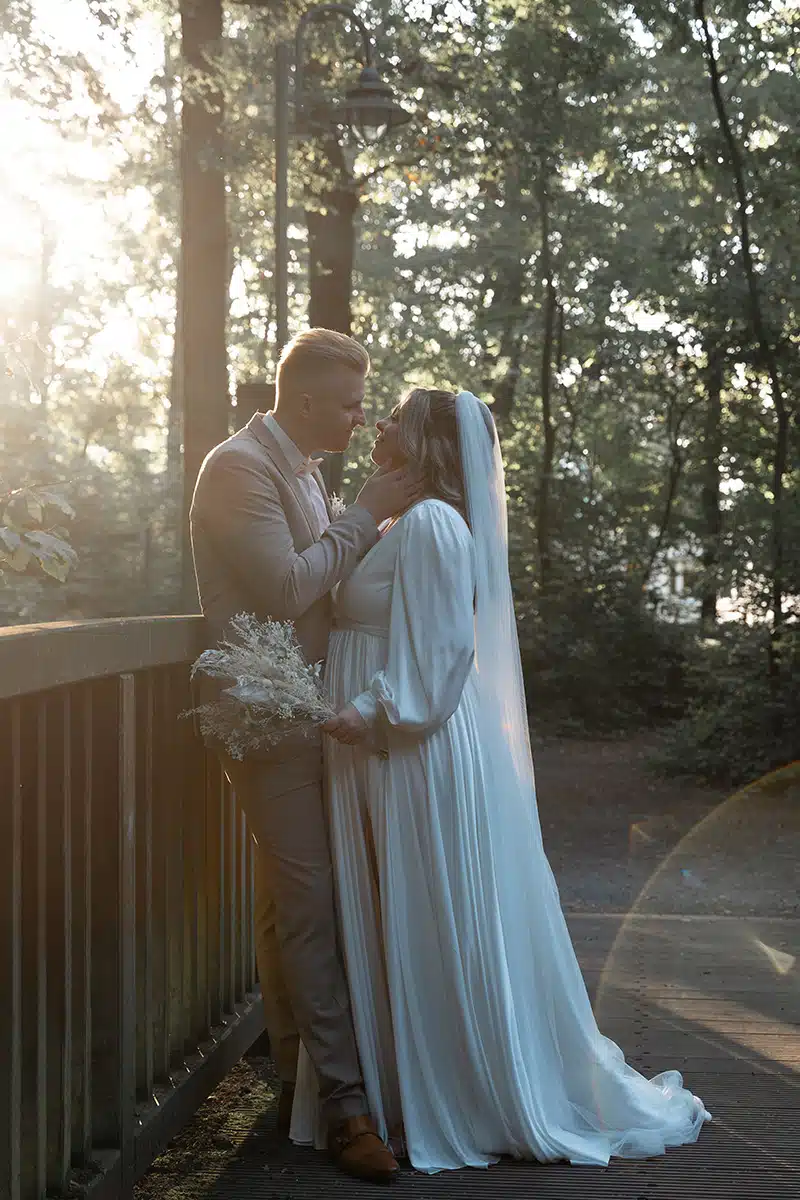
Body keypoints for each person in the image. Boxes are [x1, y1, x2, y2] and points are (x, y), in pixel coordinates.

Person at [290, 388, 711, 1173]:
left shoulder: (435, 525)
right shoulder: (398, 521)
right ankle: (405, 1088)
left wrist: (376, 713)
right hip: (381, 750)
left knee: (422, 910)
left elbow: (444, 650)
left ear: (424, 442)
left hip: (406, 751)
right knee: (392, 914)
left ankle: (459, 1092)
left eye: (393, 417)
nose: (377, 424)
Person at [189, 328, 424, 1184]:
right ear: (305, 400)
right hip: (266, 715)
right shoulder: (238, 467)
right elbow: (288, 587)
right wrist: (366, 514)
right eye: (352, 404)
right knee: (312, 903)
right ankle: (345, 1107)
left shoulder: (305, 472)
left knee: (287, 899)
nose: (363, 418)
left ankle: (294, 1073)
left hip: (314, 714)